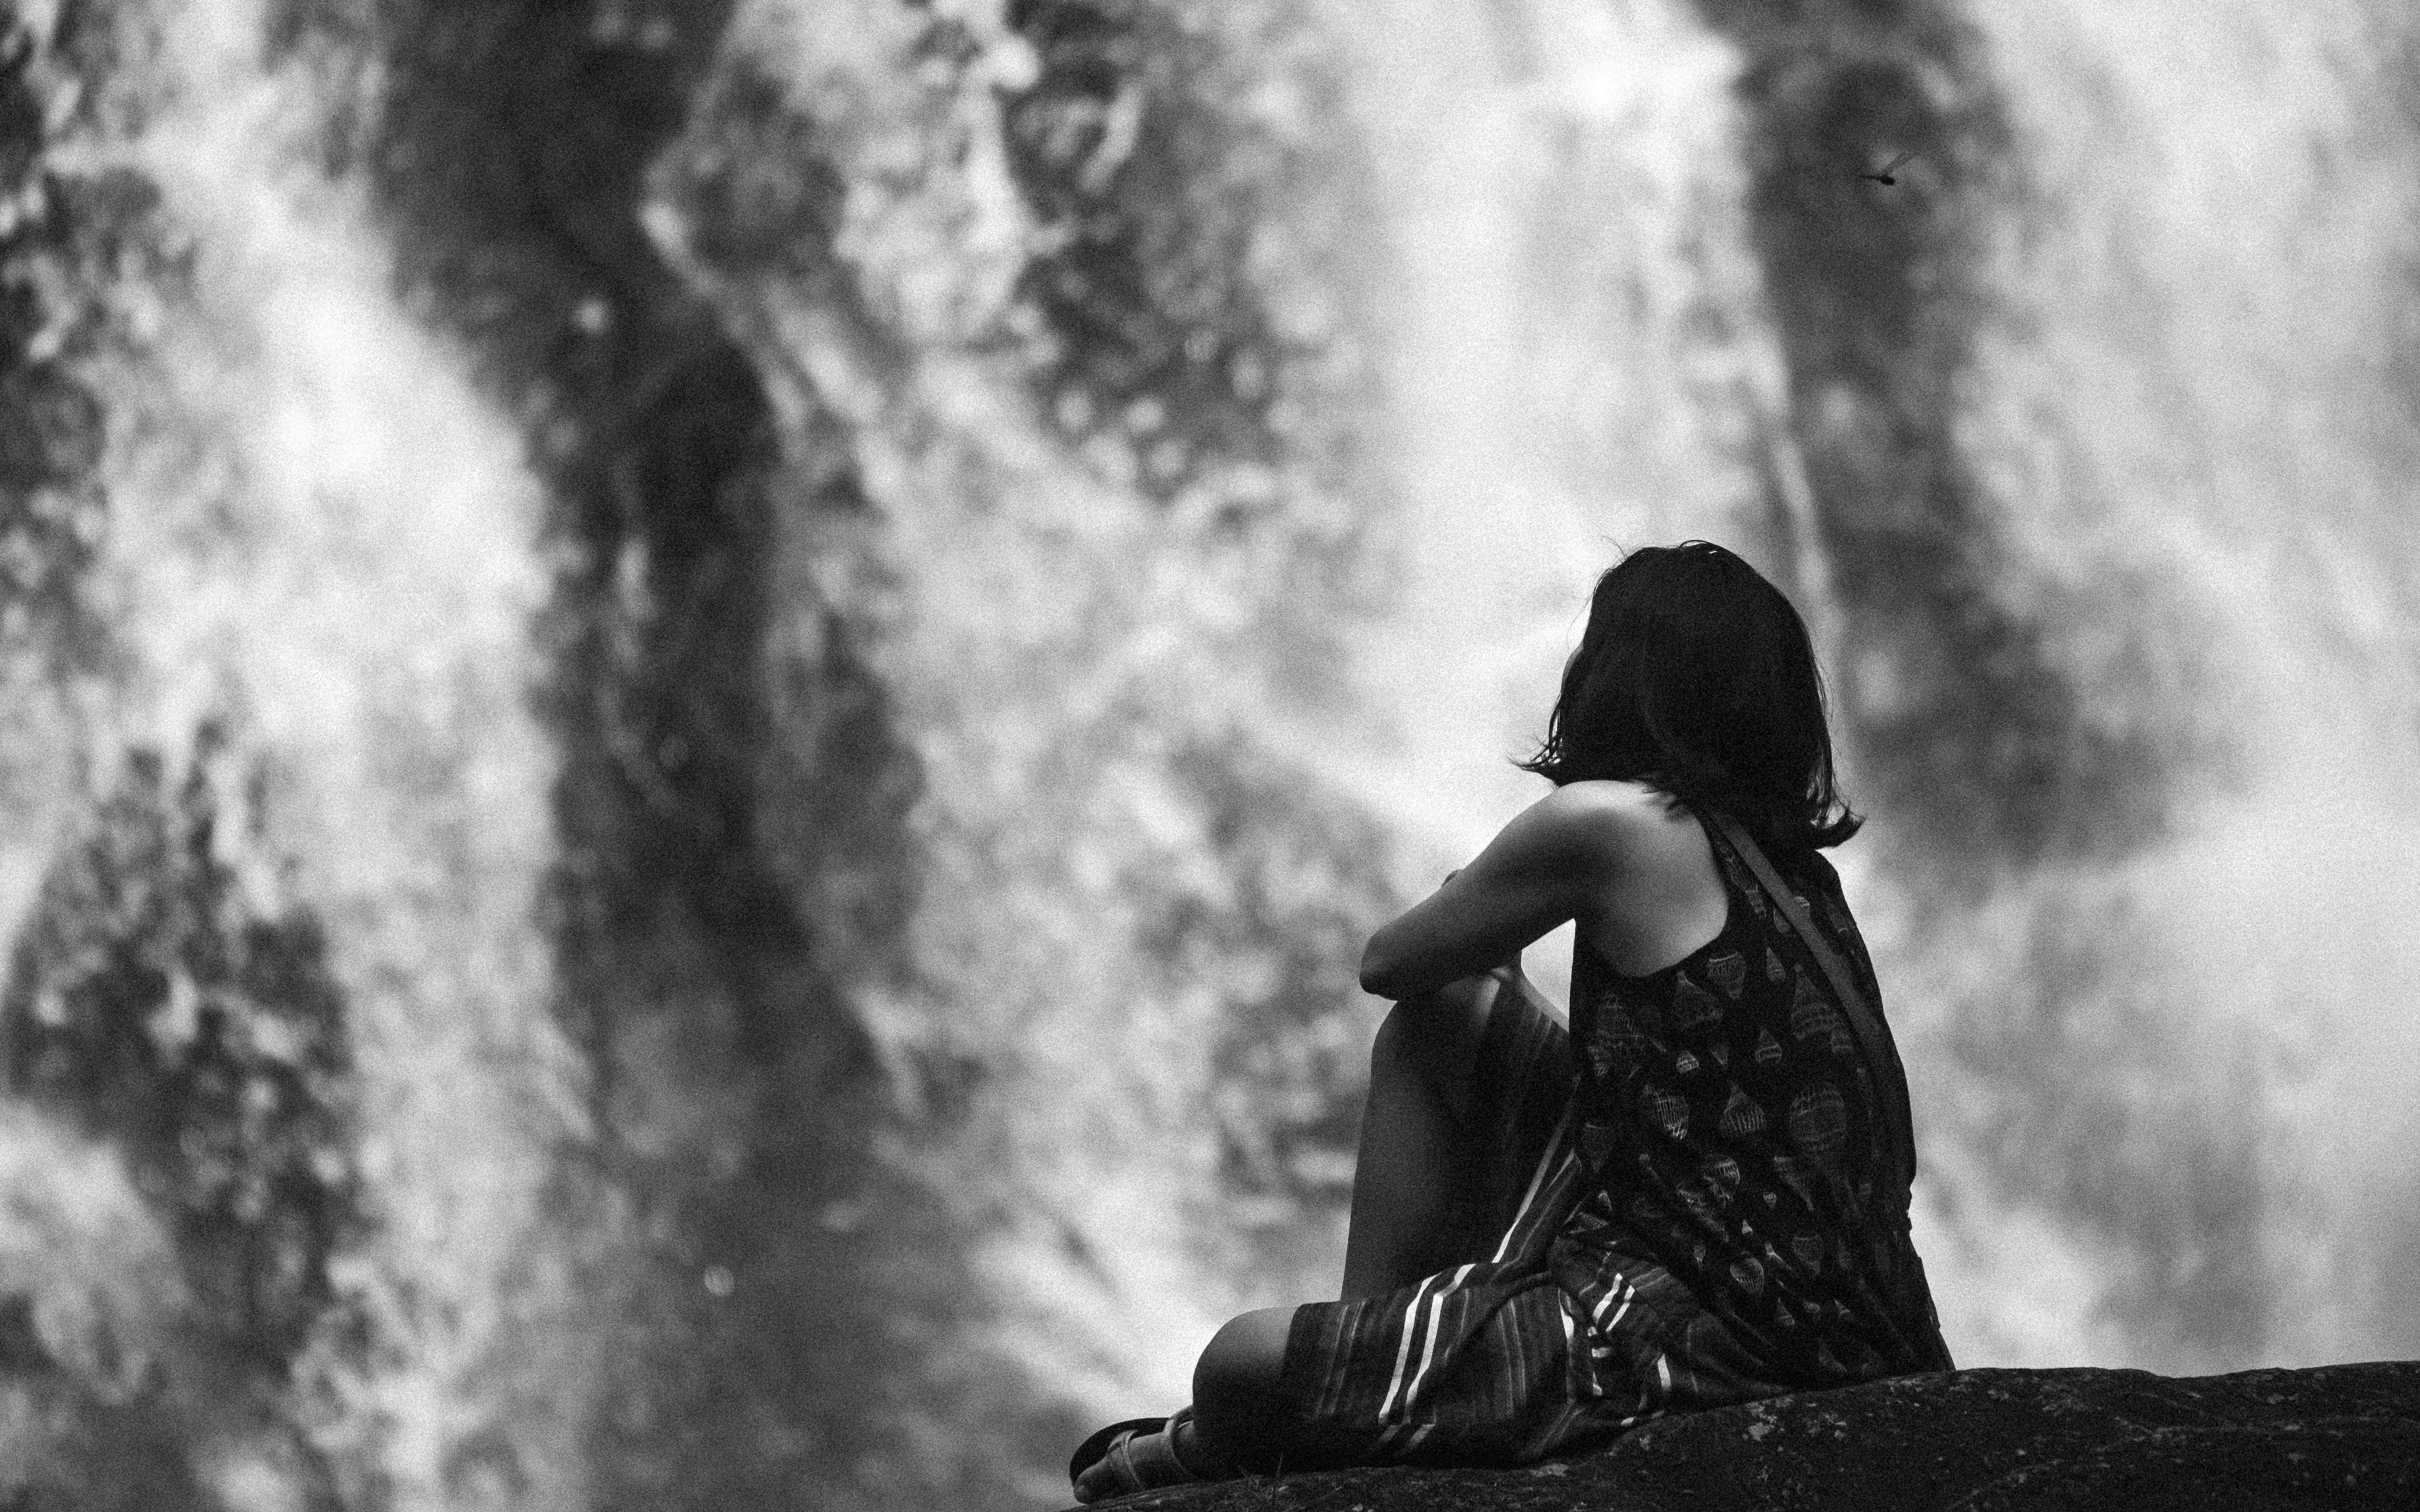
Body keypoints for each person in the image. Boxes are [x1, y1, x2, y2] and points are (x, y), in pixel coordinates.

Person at [1070, 542, 1953, 1501]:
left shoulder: (1609, 824)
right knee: (1451, 1017)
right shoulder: (1791, 869)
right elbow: (1675, 1096)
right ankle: (1358, 1382)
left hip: (1702, 1331)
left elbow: (1391, 961)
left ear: (1618, 676)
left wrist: (1486, 918)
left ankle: (1338, 1403)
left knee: (1236, 1363)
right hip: (1847, 1314)